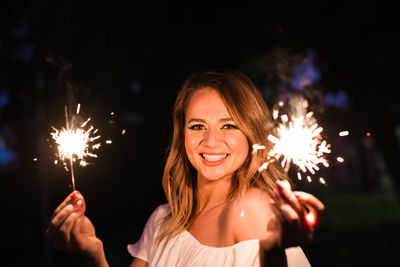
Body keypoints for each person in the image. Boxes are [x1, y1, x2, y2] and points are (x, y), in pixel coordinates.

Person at [47, 71, 325, 266]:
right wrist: (92, 254)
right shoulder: (162, 221)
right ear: (182, 135)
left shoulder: (253, 208)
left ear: (251, 135)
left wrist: (273, 254)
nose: (211, 141)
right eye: (197, 126)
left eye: (228, 125)